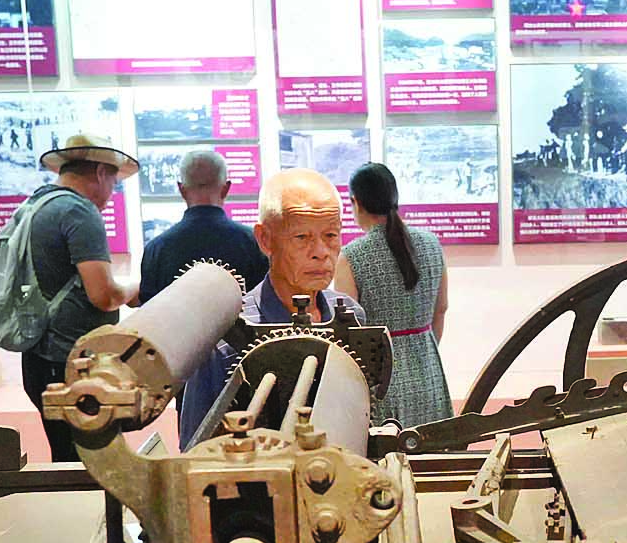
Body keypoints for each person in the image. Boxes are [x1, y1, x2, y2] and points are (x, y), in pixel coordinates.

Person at [177, 169, 370, 438]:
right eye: (302, 238)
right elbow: (196, 443)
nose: (320, 253)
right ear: (265, 239)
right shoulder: (227, 336)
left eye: (330, 235)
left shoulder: (350, 315)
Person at [22, 134, 140, 462]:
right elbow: (104, 295)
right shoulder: (79, 211)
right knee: (89, 464)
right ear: (101, 172)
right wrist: (134, 290)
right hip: (72, 363)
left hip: (40, 358)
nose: (112, 194)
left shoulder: (37, 205)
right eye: (114, 182)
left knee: (64, 455)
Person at [334, 163, 451, 428]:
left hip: (380, 380)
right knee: (433, 447)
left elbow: (347, 329)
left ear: (356, 202)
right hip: (428, 369)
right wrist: (423, 346)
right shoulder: (431, 243)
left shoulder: (352, 256)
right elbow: (441, 308)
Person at [139, 148, 265, 303]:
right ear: (226, 189)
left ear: (181, 190)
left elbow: (149, 311)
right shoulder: (255, 244)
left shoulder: (156, 250)